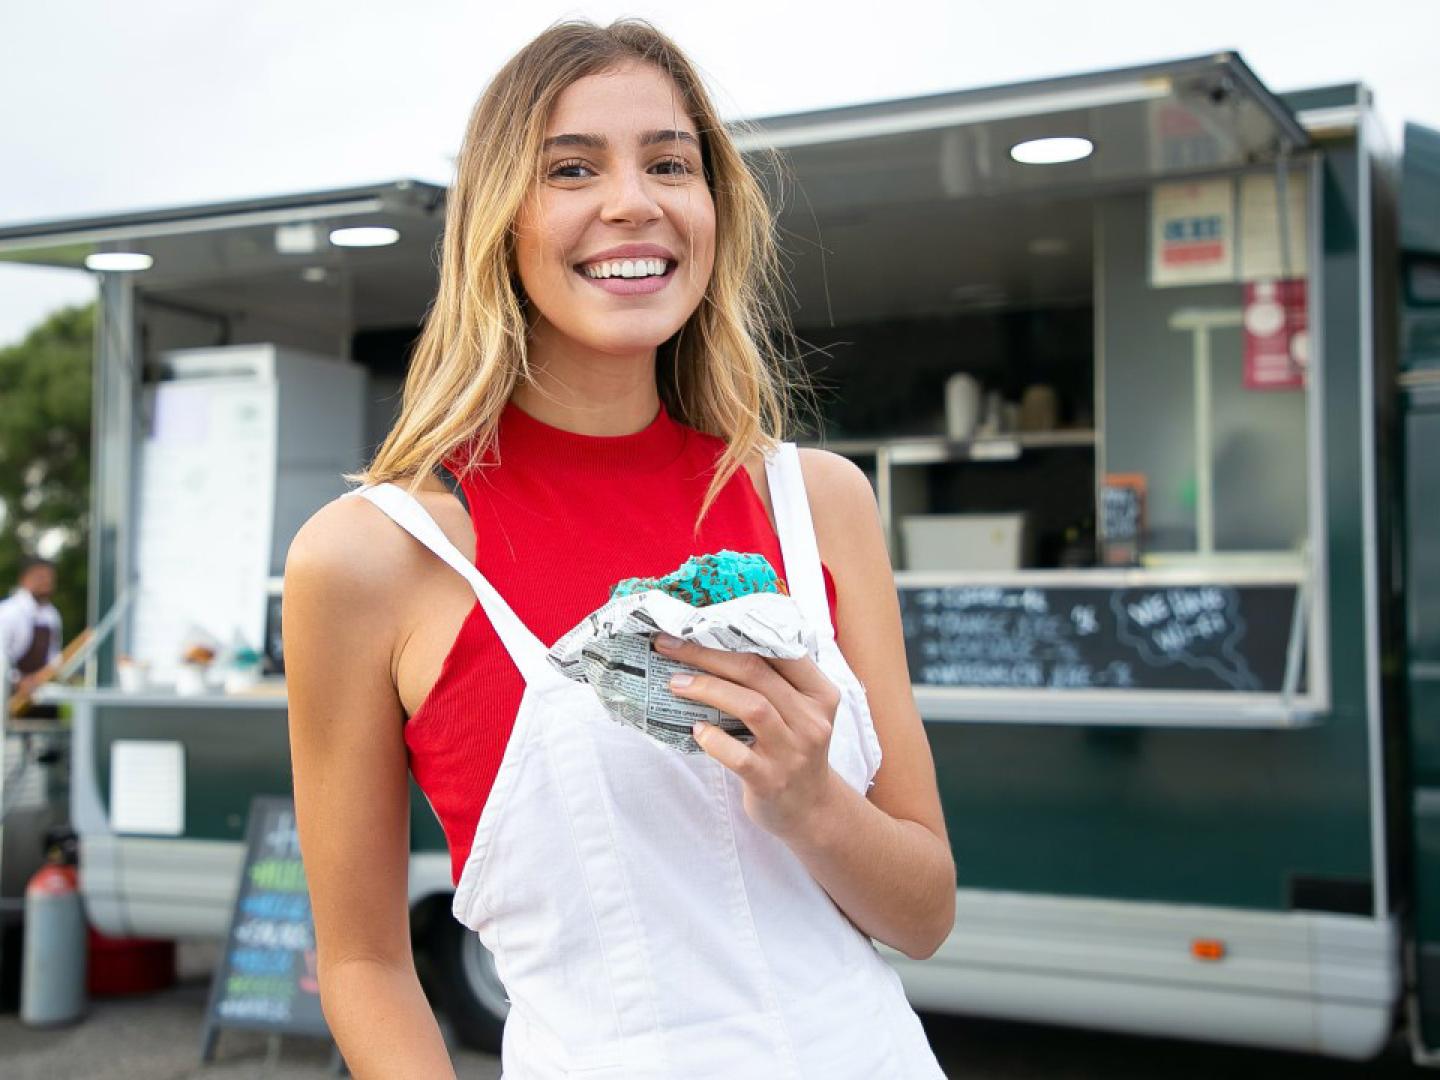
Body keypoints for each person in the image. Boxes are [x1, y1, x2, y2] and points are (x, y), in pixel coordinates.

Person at [283, 18, 954, 1078]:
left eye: (670, 163)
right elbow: (363, 964)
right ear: (500, 223)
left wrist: (813, 803)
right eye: (572, 168)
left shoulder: (818, 502)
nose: (633, 199)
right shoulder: (373, 559)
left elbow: (923, 916)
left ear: (714, 213)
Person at [1, 556, 62, 717]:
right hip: (9, 695)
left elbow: (53, 656)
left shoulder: (52, 615)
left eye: (50, 577)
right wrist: (17, 680)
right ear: (24, 579)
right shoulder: (8, 612)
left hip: (41, 694)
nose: (46, 582)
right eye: (41, 577)